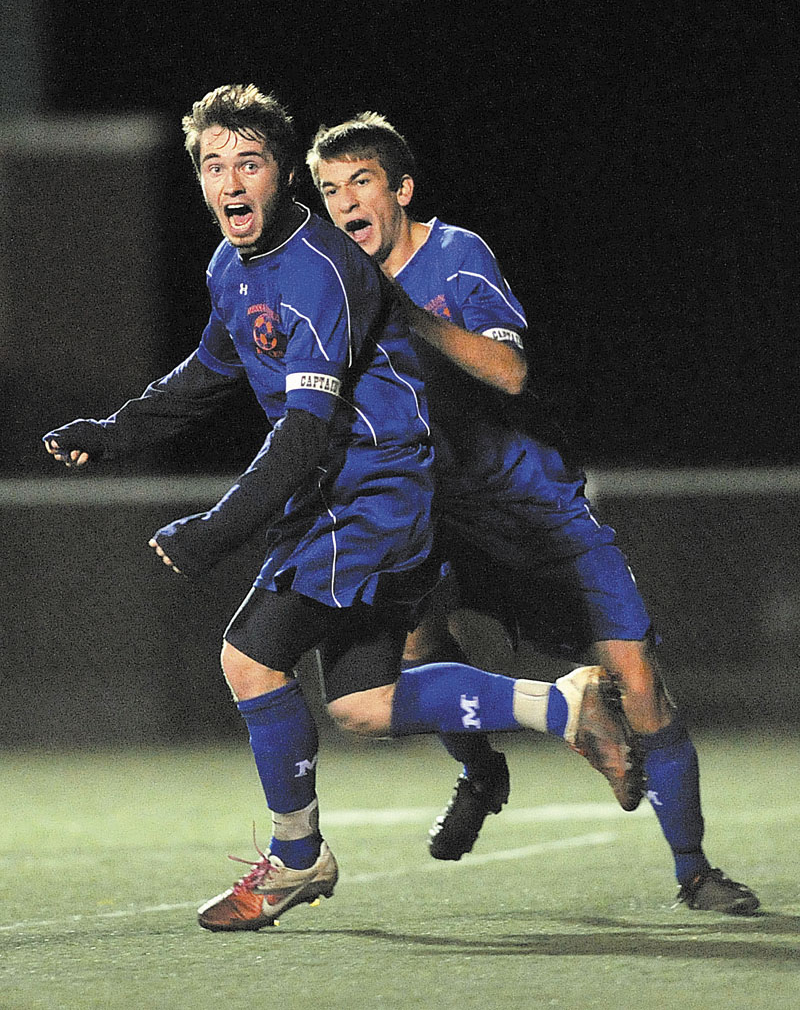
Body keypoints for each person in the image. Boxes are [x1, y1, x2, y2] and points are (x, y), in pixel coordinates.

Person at [43, 84, 638, 932]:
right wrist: (111, 433)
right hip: (360, 496)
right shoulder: (231, 265)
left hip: (370, 494)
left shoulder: (319, 270)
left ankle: (296, 861)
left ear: (283, 172)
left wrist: (216, 532)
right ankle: (560, 704)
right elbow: (209, 370)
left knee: (248, 661)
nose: (230, 180)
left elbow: (300, 435)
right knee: (363, 704)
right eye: (213, 165)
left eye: (248, 162)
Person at [304, 112, 759, 914]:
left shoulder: (455, 254)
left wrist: (406, 314)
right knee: (413, 649)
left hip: (528, 505)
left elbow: (510, 372)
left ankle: (694, 871)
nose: (344, 203)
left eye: (361, 182)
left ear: (401, 190)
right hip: (428, 512)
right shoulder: (333, 287)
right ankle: (482, 771)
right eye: (330, 189)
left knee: (640, 680)